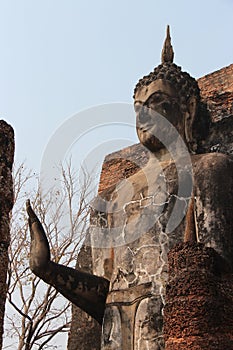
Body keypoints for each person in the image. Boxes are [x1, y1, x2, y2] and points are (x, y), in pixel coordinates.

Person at [27, 26, 233, 350]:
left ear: (189, 109)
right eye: (138, 108)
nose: (144, 115)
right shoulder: (109, 201)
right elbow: (105, 295)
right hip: (119, 333)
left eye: (158, 103)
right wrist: (48, 269)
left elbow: (219, 285)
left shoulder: (209, 171)